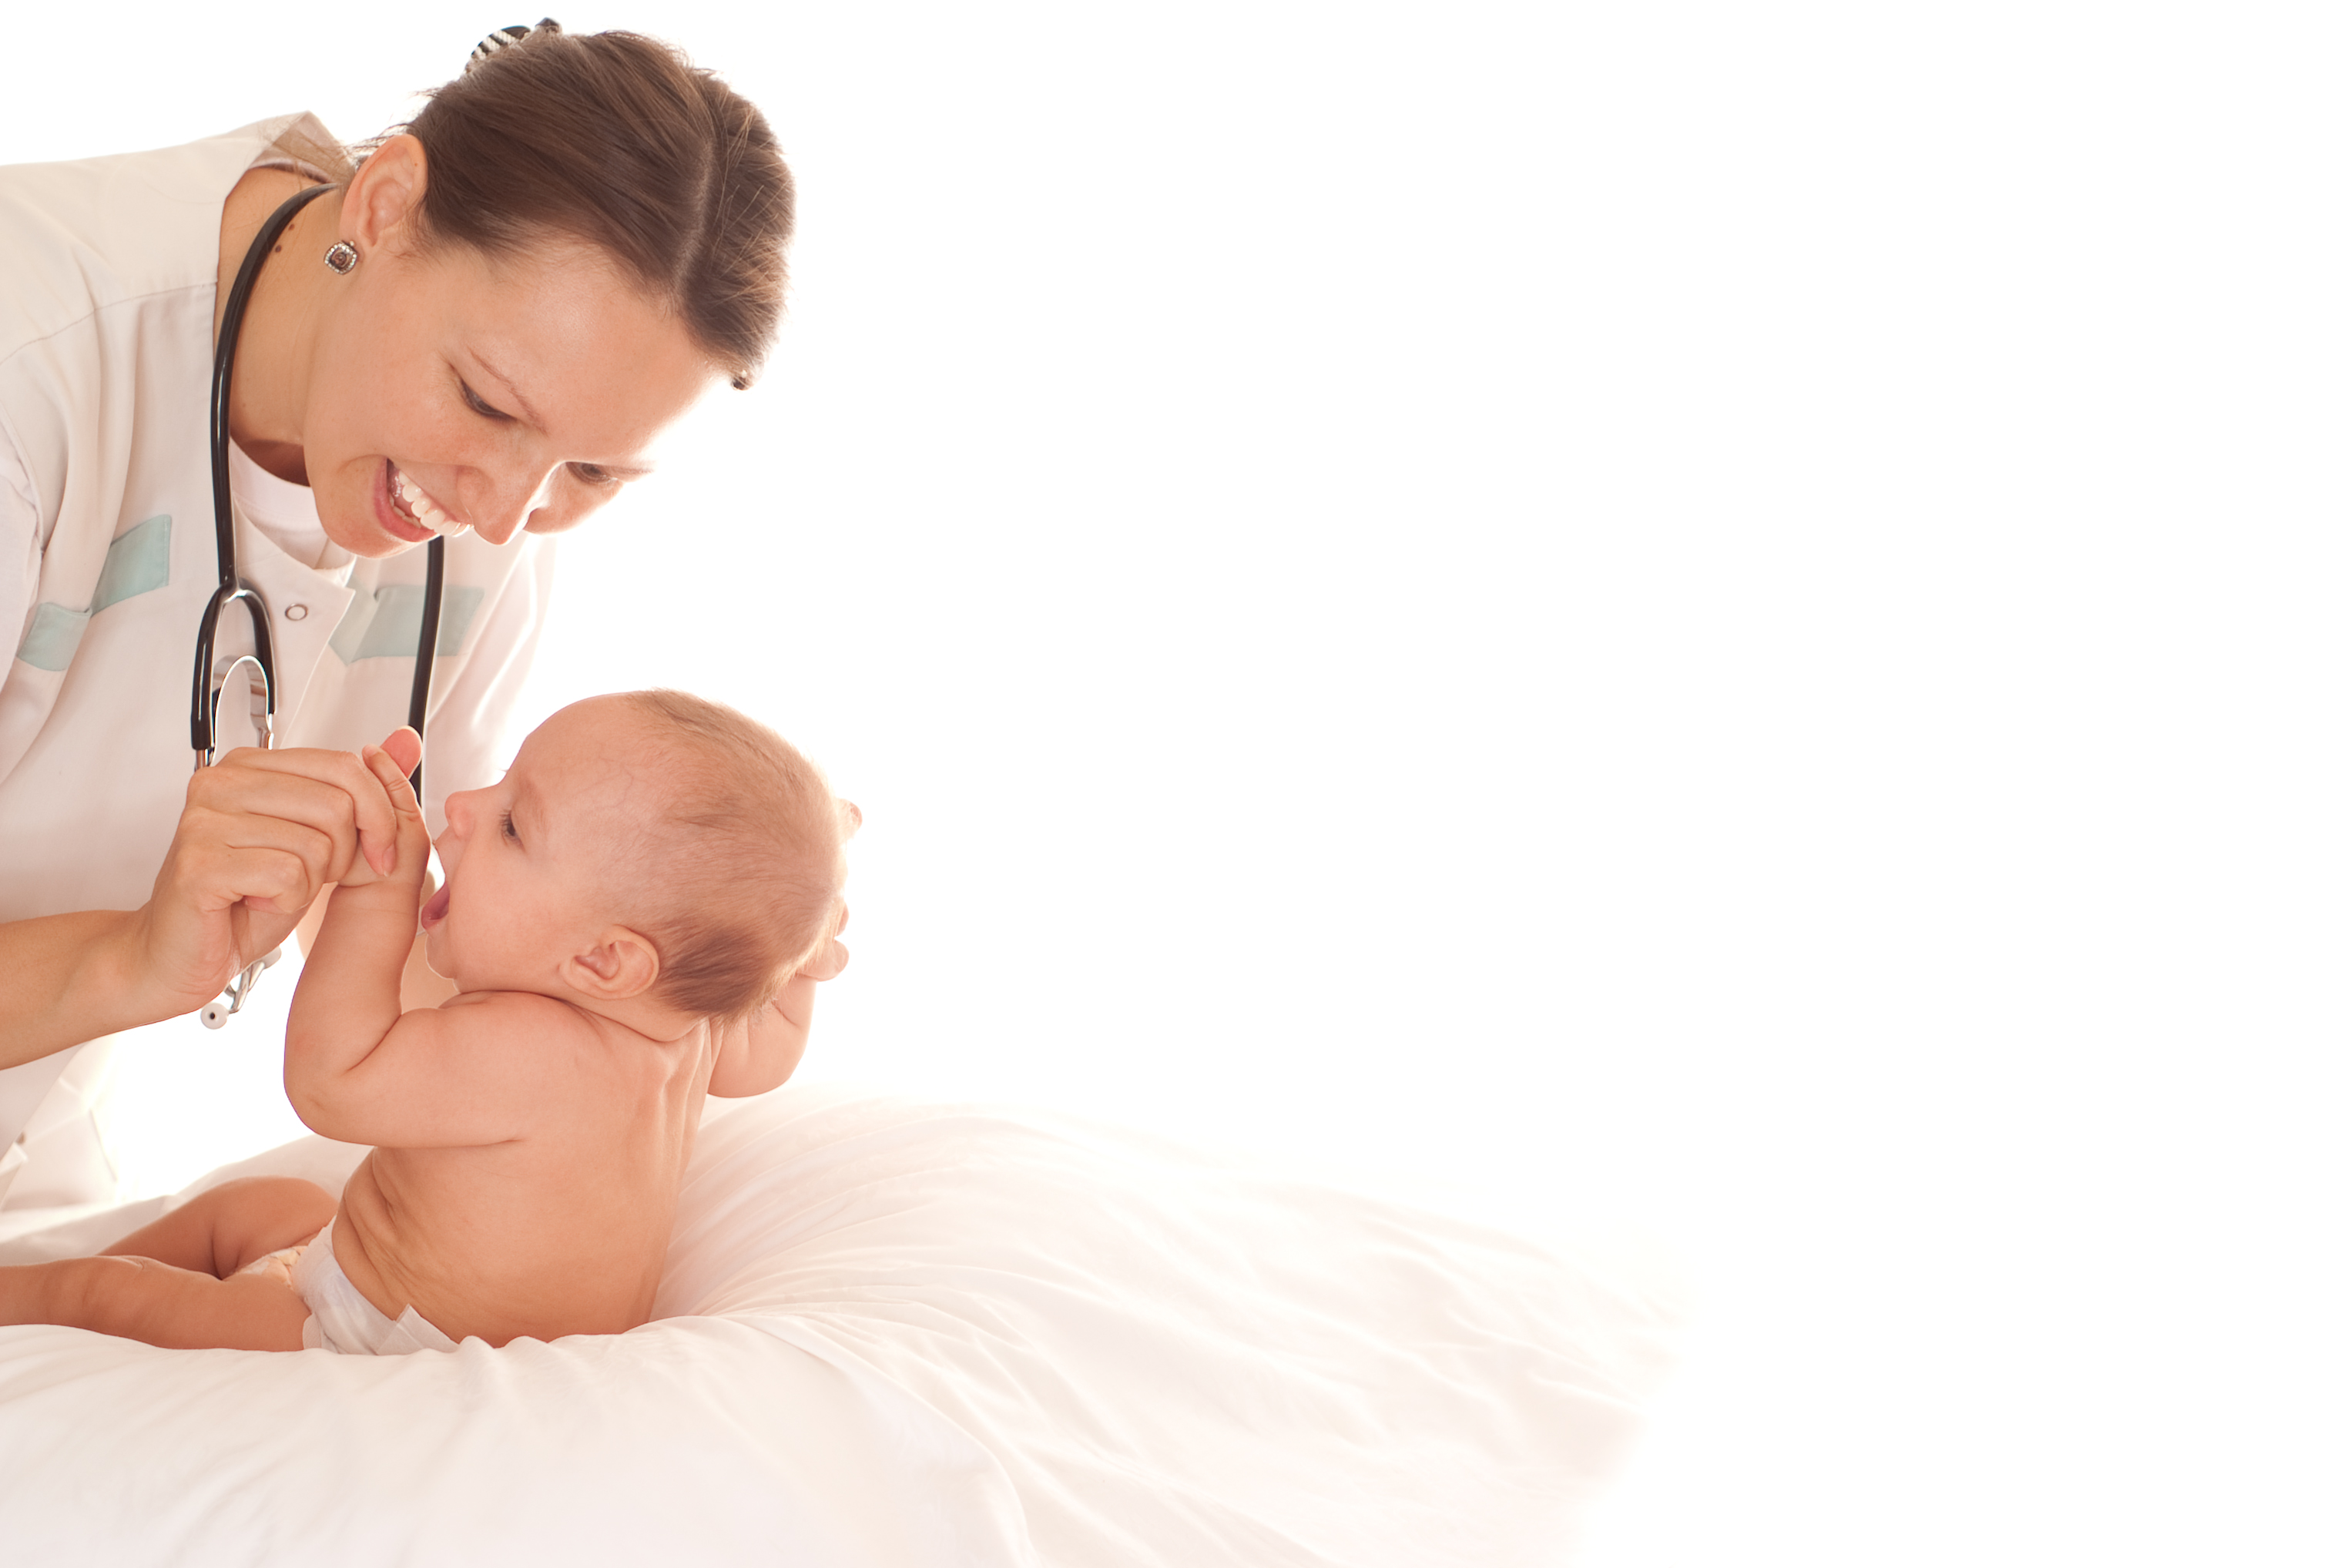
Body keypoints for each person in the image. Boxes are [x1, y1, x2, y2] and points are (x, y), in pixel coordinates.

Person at [0, 24, 840, 1210]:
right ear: (385, 206)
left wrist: (698, 967)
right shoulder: (26, 373)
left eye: (590, 475)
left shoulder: (492, 525)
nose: (499, 518)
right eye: (487, 403)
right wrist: (129, 959)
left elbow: (465, 965)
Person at [0, 690, 855, 1351]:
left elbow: (332, 1082)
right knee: (265, 1206)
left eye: (515, 824)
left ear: (604, 960)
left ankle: (35, 1289)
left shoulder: (529, 1050)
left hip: (377, 1344)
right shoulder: (686, 1028)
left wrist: (376, 894)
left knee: (111, 1297)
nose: (463, 806)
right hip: (386, 1291)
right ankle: (124, 1253)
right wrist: (798, 935)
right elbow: (770, 1047)